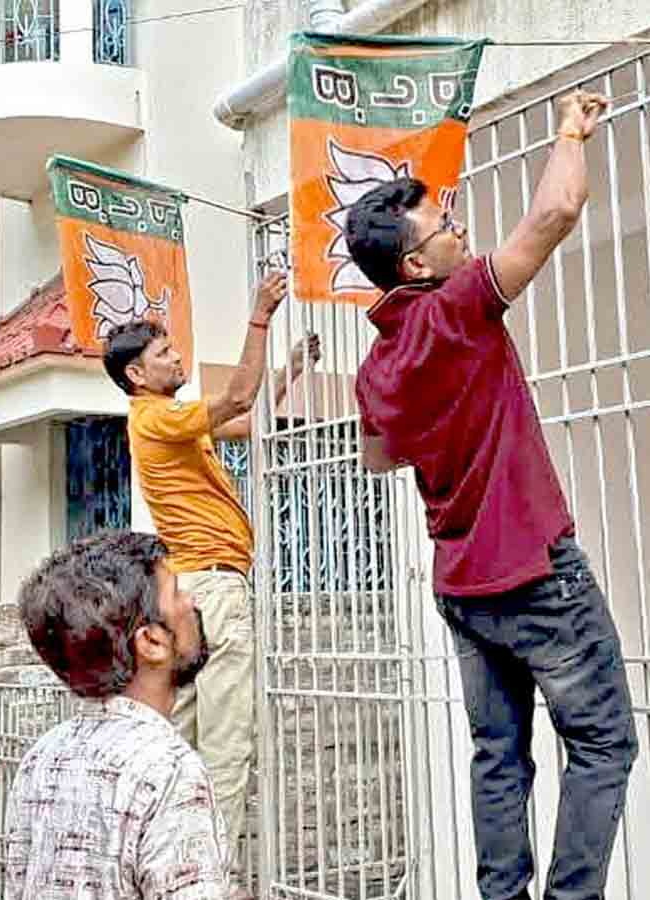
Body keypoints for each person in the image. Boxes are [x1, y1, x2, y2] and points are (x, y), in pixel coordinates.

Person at [348, 89, 639, 900]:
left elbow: (379, 458)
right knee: (605, 742)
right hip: (535, 574)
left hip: (463, 587)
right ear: (414, 265)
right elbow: (553, 214)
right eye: (445, 228)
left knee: (497, 755)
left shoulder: (376, 368)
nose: (460, 233)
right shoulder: (459, 308)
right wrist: (571, 132)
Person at [102, 272, 320, 875]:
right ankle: (206, 875)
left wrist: (293, 371)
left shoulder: (166, 422)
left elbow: (242, 423)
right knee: (227, 742)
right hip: (214, 588)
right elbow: (238, 401)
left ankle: (160, 864)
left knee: (182, 737)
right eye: (164, 353)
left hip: (192, 589)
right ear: (137, 376)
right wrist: (261, 317)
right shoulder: (153, 417)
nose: (177, 357)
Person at [9, 530, 229, 899]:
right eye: (176, 592)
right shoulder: (170, 769)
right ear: (152, 643)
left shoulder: (40, 757)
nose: (191, 601)